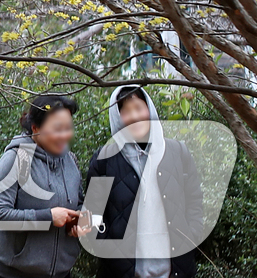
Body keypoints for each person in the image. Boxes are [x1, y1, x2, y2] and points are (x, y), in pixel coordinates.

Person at [84, 86, 204, 278]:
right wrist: (109, 251)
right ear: (117, 117)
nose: (134, 116)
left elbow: (194, 200)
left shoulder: (177, 152)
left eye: (139, 108)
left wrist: (192, 236)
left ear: (149, 110)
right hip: (122, 272)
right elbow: (92, 214)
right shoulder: (104, 159)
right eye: (126, 111)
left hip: (177, 270)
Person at [0, 93, 87, 278]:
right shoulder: (16, 158)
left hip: (60, 272)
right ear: (35, 128)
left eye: (68, 128)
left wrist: (79, 220)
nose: (65, 135)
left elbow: (78, 202)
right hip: (13, 271)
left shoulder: (70, 160)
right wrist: (48, 217)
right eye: (57, 129)